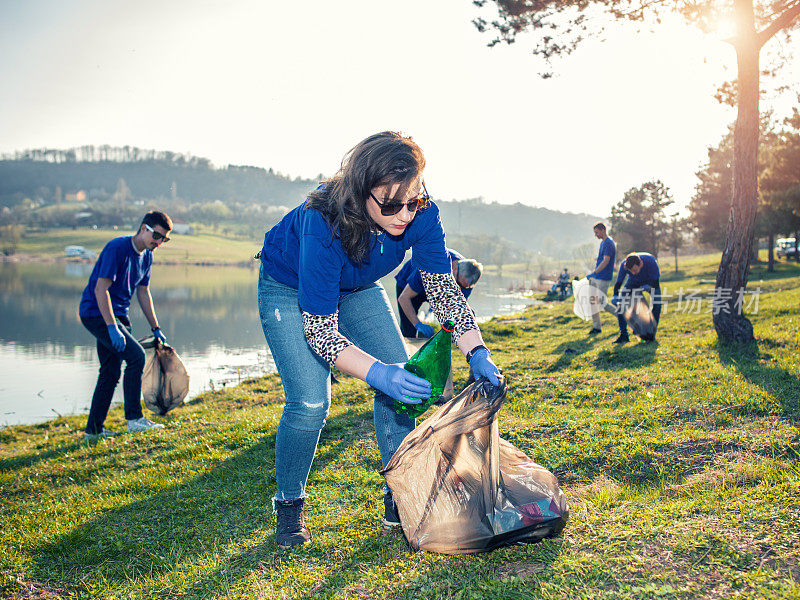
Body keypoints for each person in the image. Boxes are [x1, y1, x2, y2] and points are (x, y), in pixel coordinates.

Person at [257, 131, 501, 548]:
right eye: (389, 205)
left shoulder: (422, 214)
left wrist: (477, 351)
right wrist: (376, 373)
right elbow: (319, 331)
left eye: (413, 201)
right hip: (289, 286)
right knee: (311, 401)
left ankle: (397, 493)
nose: (404, 215)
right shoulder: (324, 222)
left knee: (404, 382)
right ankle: (290, 505)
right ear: (361, 190)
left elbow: (443, 292)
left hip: (358, 287)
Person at [78, 211, 173, 441]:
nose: (159, 242)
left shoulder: (147, 256)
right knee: (136, 357)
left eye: (164, 239)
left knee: (110, 373)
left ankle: (93, 431)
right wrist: (111, 326)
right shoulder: (117, 248)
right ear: (143, 228)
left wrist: (155, 327)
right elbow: (101, 290)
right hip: (96, 313)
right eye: (157, 236)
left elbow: (143, 292)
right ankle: (134, 419)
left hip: (119, 315)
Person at [395, 249, 482, 338]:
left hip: (437, 288)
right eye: (458, 284)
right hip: (409, 285)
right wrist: (417, 324)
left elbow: (459, 307)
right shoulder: (431, 265)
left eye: (463, 287)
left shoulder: (466, 281)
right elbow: (403, 298)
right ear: (454, 268)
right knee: (409, 329)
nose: (459, 288)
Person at [611, 252, 661, 344]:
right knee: (621, 306)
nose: (633, 273)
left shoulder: (650, 261)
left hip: (650, 282)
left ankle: (650, 333)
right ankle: (624, 335)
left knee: (657, 304)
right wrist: (615, 295)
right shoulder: (624, 265)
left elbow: (656, 283)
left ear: (640, 263)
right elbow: (619, 282)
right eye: (631, 271)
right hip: (633, 282)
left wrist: (647, 287)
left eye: (635, 270)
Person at [586, 222, 617, 334]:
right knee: (593, 302)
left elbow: (606, 261)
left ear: (603, 230)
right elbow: (601, 259)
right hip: (597, 276)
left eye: (597, 232)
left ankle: (621, 316)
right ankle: (596, 327)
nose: (596, 235)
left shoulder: (609, 243)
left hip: (603, 277)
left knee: (602, 303)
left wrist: (595, 272)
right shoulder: (603, 243)